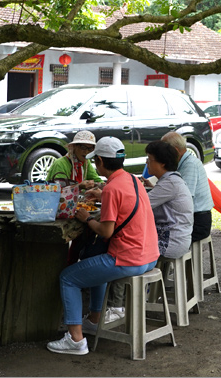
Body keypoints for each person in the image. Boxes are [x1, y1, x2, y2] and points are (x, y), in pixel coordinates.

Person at [47, 137, 159, 356]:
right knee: (92, 264)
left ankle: (75, 339)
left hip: (128, 259)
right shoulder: (133, 180)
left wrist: (87, 218)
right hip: (149, 256)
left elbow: (106, 231)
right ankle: (94, 319)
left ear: (99, 161)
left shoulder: (111, 189)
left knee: (68, 278)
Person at [144, 140, 193, 259]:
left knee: (122, 244)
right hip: (178, 239)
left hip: (170, 243)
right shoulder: (172, 180)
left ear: (163, 163)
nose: (147, 162)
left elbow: (138, 205)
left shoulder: (170, 183)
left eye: (150, 159)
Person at [161, 132, 213, 242]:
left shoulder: (189, 165)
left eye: (164, 152)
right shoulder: (185, 161)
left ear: (175, 150)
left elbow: (184, 199)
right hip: (194, 219)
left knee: (156, 234)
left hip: (198, 222)